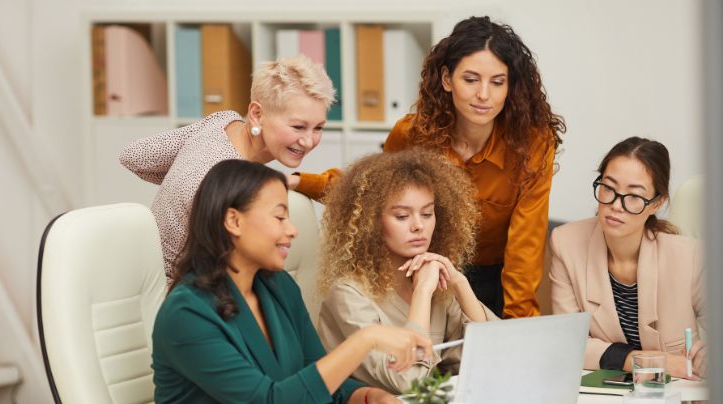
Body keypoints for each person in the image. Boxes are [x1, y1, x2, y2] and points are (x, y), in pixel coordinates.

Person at [296, 16, 566, 319]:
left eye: (497, 82)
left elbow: (525, 247)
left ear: (510, 86)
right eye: (471, 79)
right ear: (447, 79)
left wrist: (517, 327)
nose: (484, 95)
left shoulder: (532, 143)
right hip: (423, 273)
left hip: (498, 280)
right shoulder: (413, 133)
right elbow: (368, 190)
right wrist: (297, 181)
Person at [151, 160, 432, 404]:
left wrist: (368, 396)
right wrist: (366, 340)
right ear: (234, 221)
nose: (292, 230)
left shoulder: (278, 286)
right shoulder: (187, 312)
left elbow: (317, 374)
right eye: (280, 217)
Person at [120, 55, 340, 279]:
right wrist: (194, 187)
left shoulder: (222, 122)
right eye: (298, 127)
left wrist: (295, 180)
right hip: (186, 295)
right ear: (257, 114)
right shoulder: (234, 185)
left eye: (318, 128)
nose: (309, 141)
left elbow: (135, 155)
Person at [317, 152, 498, 394]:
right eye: (402, 216)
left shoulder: (439, 286)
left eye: (427, 214)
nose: (418, 226)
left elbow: (494, 358)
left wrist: (459, 283)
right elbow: (409, 382)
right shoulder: (348, 295)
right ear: (371, 223)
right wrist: (422, 293)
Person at [550, 137, 706, 379]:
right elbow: (567, 343)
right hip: (601, 396)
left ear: (657, 203)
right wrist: (651, 361)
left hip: (679, 396)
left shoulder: (690, 256)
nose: (616, 205)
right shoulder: (566, 243)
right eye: (609, 188)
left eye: (634, 196)